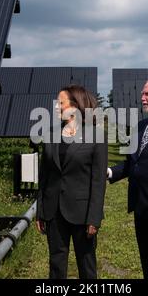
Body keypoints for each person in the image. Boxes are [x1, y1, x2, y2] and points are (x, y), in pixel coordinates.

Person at [36, 85, 108, 279]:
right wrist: (40, 211)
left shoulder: (96, 136)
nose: (56, 107)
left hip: (82, 213)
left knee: (86, 264)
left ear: (76, 105)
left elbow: (98, 181)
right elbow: (44, 176)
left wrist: (94, 217)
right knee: (56, 264)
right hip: (53, 211)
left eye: (61, 103)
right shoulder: (50, 134)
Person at [107, 77, 148, 279]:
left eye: (147, 94)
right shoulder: (141, 126)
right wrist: (109, 173)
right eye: (142, 94)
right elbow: (132, 163)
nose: (142, 98)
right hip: (141, 206)